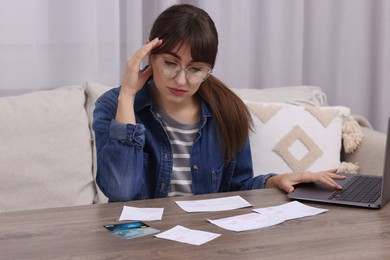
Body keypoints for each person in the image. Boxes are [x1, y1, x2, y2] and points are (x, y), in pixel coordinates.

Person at [93, 4, 344, 202]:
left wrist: (275, 181)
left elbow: (236, 189)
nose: (181, 80)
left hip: (208, 238)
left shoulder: (227, 110)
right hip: (140, 242)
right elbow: (120, 191)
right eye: (170, 63)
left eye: (195, 69)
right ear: (149, 51)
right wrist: (127, 94)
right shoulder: (114, 105)